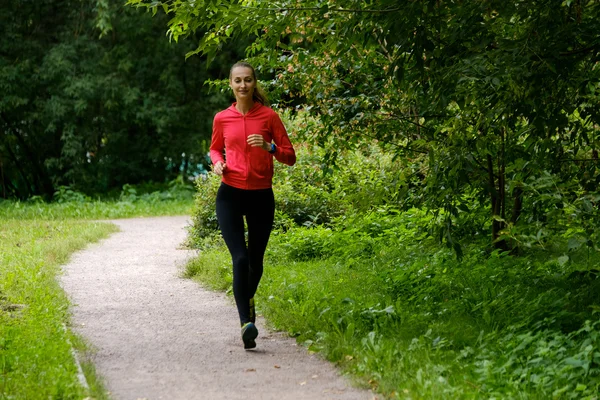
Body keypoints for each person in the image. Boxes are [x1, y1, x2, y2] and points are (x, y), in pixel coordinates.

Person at [209, 61, 296, 349]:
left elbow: (290, 156)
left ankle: (247, 300)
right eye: (238, 81)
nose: (243, 85)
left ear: (254, 83)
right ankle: (246, 322)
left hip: (261, 195)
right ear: (231, 84)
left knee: (256, 263)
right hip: (230, 193)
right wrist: (218, 162)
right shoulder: (222, 118)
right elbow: (214, 147)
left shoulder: (269, 117)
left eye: (248, 80)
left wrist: (269, 147)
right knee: (241, 259)